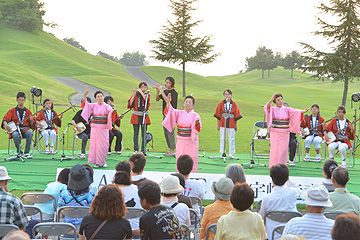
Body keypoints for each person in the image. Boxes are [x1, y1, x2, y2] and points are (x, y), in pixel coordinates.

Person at [264, 93, 308, 168]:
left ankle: (282, 166)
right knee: (274, 150)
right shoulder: (273, 109)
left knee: (283, 150)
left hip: (285, 132)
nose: (280, 101)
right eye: (278, 100)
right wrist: (270, 100)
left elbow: (296, 111)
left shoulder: (287, 109)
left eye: (281, 99)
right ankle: (274, 166)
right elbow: (266, 108)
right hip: (275, 132)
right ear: (275, 102)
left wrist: (303, 111)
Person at [163, 94, 202, 172]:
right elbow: (170, 111)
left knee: (192, 158)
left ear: (193, 105)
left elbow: (198, 126)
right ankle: (179, 173)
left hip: (191, 141)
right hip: (181, 140)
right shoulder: (179, 113)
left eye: (189, 102)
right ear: (183, 104)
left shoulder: (195, 115)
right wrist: (168, 102)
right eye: (186, 102)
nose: (187, 104)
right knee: (180, 157)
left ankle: (192, 173)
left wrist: (197, 123)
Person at [259, 164, 298, 239]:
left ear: (272, 178)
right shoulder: (293, 192)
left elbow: (262, 217)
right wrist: (286, 178)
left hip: (271, 236)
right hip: (289, 235)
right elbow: (295, 187)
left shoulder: (267, 198)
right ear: (287, 178)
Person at [81, 86, 114, 168]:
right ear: (95, 98)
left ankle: (103, 161)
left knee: (104, 145)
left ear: (103, 97)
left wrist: (112, 112)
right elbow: (85, 106)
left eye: (101, 96)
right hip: (95, 128)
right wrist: (85, 95)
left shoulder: (107, 106)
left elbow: (110, 111)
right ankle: (96, 162)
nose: (100, 98)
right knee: (95, 145)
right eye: (98, 97)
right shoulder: (93, 105)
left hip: (103, 128)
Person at [2, 92, 34, 158]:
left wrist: (31, 120)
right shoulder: (12, 110)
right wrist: (6, 125)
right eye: (19, 100)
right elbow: (5, 120)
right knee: (15, 135)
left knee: (30, 133)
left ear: (24, 100)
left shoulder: (28, 111)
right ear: (17, 100)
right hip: (15, 129)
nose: (21, 101)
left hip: (25, 129)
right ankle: (19, 151)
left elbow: (32, 124)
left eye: (22, 100)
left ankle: (26, 152)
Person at [113, 161, 143, 233]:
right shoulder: (139, 190)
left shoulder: (107, 190)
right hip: (135, 230)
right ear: (130, 174)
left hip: (114, 231)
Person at [213, 89, 242, 158]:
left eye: (228, 94)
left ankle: (231, 153)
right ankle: (222, 152)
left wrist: (236, 125)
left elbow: (236, 115)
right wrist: (218, 125)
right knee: (222, 137)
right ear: (223, 95)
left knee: (231, 138)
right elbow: (218, 115)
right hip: (223, 123)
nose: (227, 95)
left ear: (231, 95)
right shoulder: (221, 104)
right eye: (225, 94)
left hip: (231, 123)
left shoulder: (234, 104)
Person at [156, 76, 178, 157]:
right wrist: (158, 91)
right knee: (166, 132)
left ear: (172, 83)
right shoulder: (165, 91)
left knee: (170, 132)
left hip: (171, 115)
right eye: (166, 82)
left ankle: (172, 150)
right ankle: (170, 149)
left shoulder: (174, 93)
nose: (166, 84)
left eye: (168, 82)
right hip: (165, 114)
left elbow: (167, 100)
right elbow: (157, 99)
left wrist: (161, 90)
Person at [128, 81, 151, 154]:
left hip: (144, 116)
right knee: (136, 133)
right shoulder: (136, 95)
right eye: (141, 87)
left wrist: (142, 93)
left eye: (144, 87)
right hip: (136, 116)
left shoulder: (147, 95)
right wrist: (134, 94)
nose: (143, 88)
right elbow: (130, 104)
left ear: (147, 88)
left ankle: (143, 150)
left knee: (144, 133)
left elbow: (147, 102)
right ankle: (136, 149)